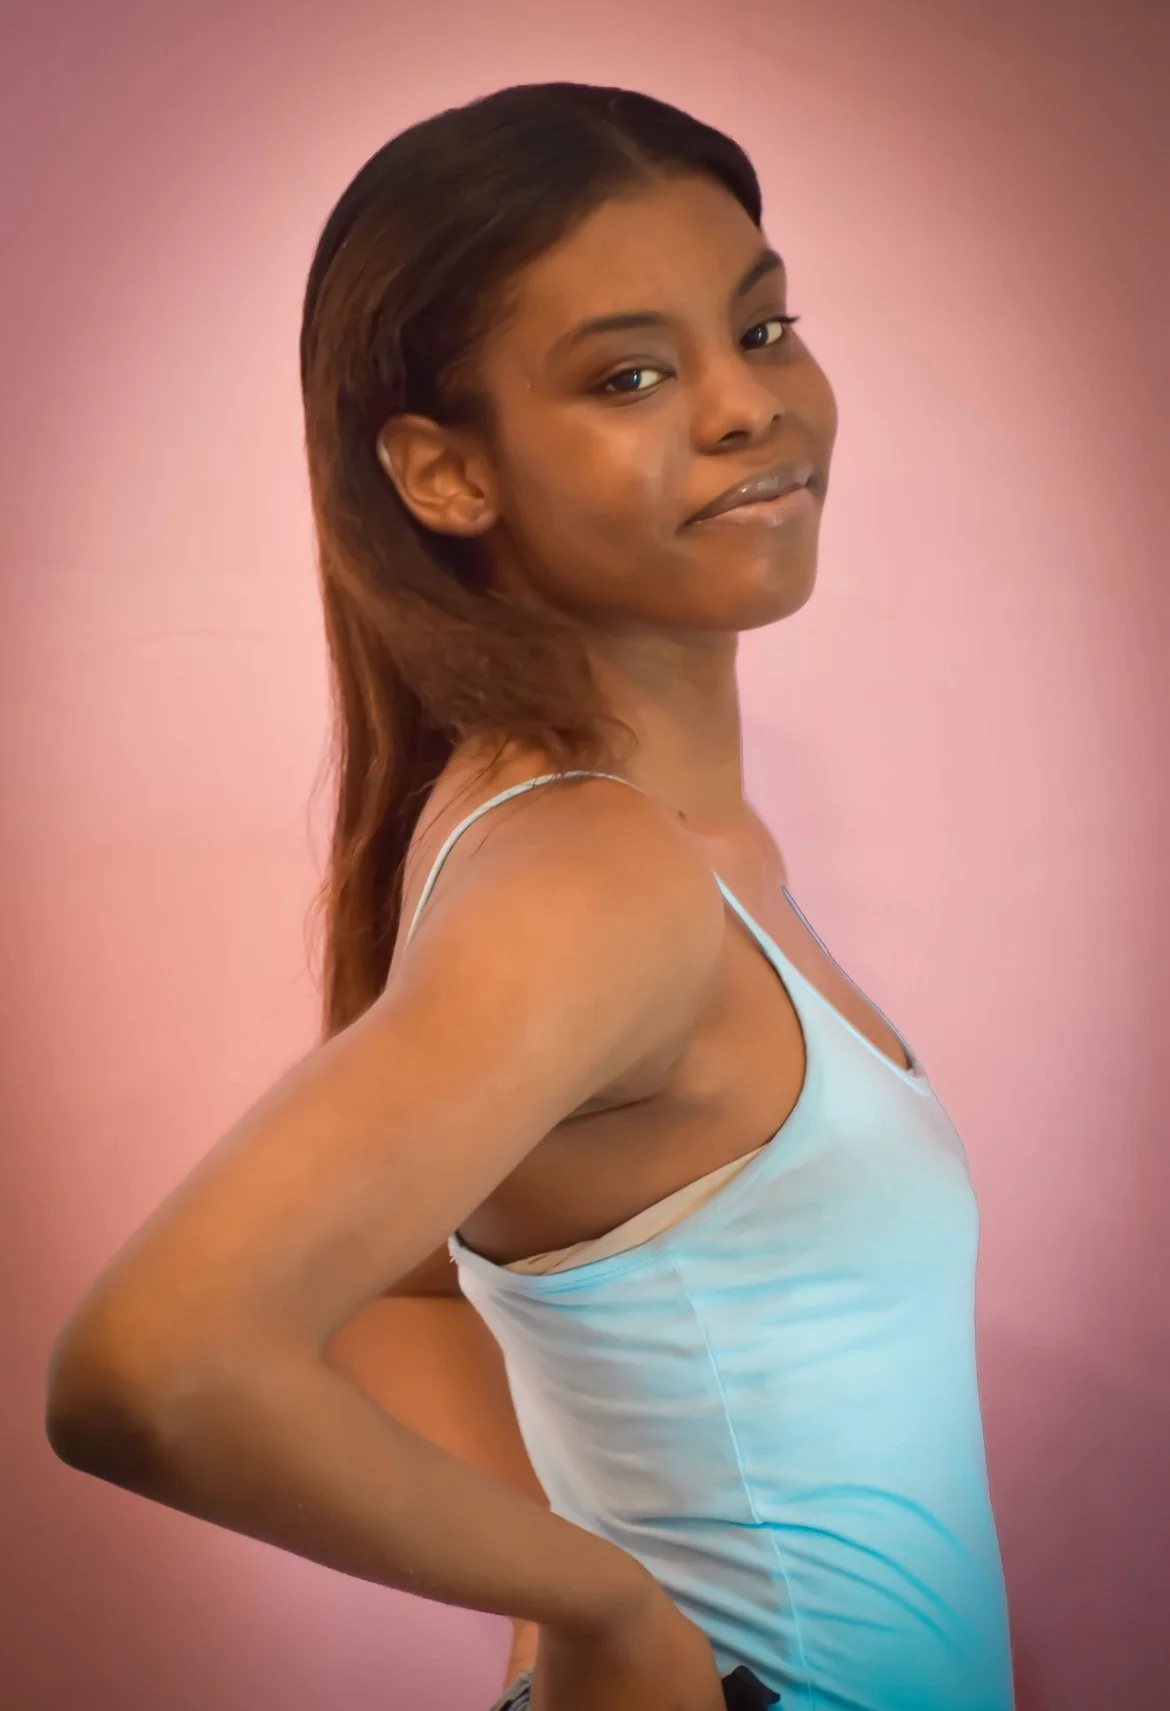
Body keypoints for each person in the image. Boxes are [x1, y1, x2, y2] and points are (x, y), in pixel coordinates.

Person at [44, 82, 1016, 1711]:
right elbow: (149, 1365)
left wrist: (546, 1556)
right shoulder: (594, 880)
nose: (745, 406)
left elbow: (424, 1268)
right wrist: (600, 1606)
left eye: (761, 329)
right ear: (444, 474)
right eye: (629, 375)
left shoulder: (628, 836)